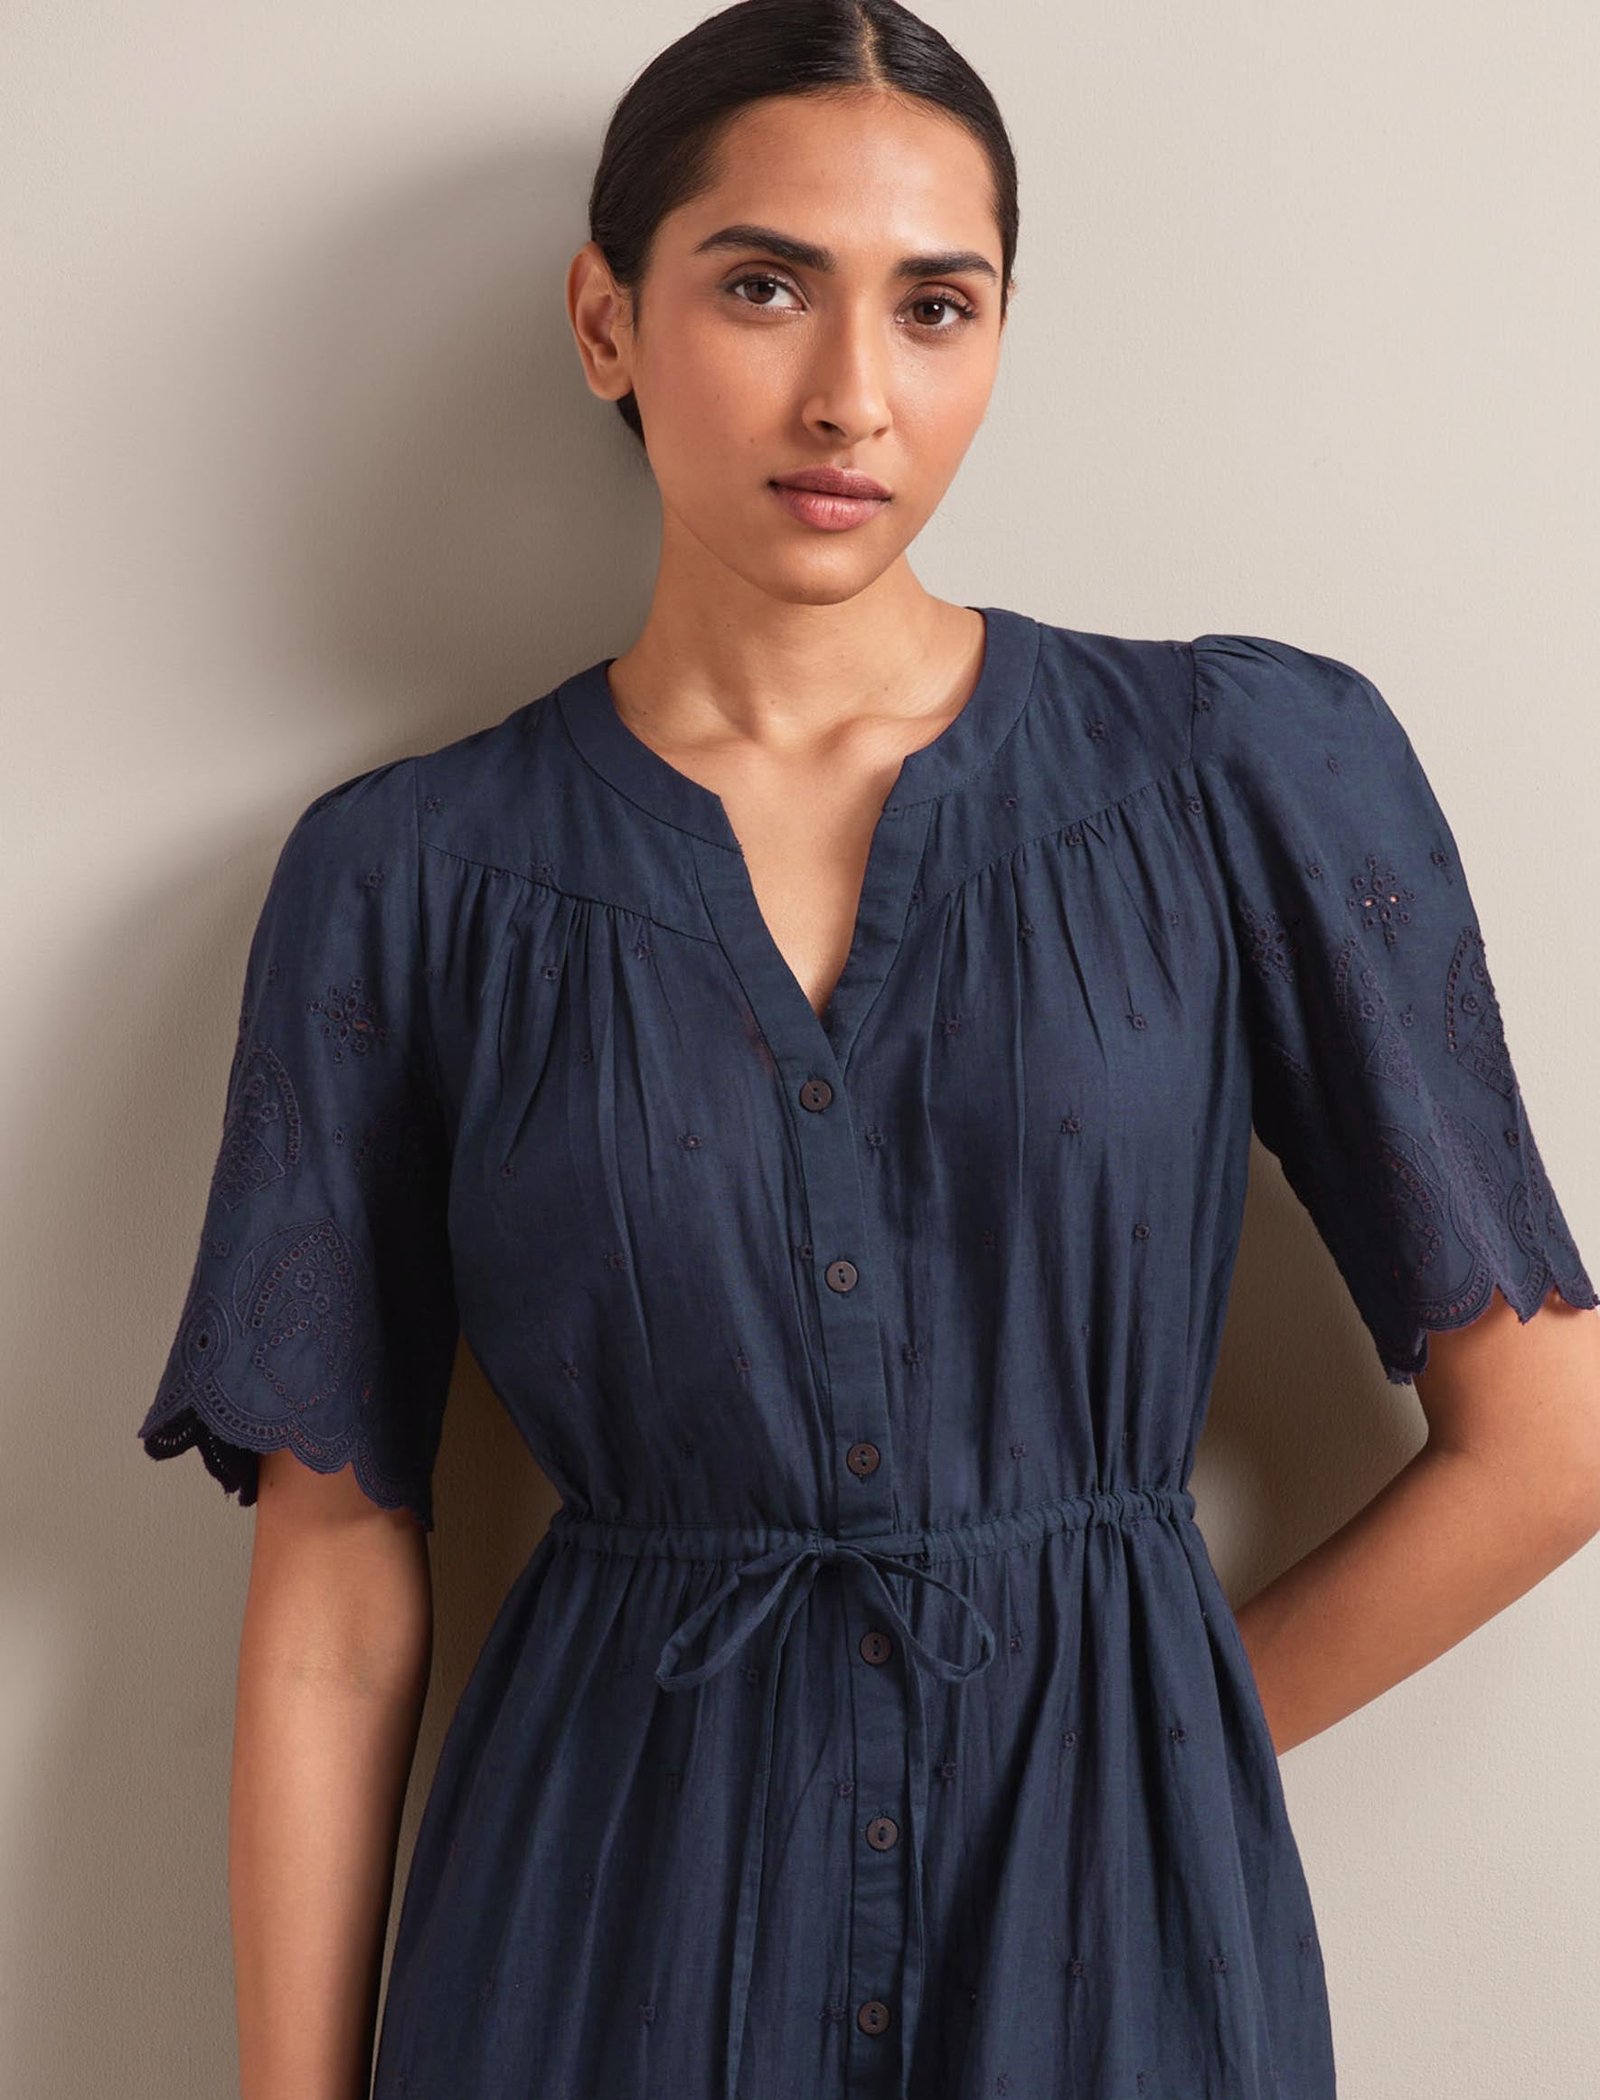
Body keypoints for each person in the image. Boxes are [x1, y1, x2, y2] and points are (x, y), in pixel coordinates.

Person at [136, 3, 1600, 2096]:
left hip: (1106, 1971)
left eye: (934, 306)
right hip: (597, 1945)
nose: (851, 395)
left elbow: (1546, 1444)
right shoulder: (410, 881)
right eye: (762, 287)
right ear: (605, 320)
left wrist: (1144, 1761)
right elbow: (336, 1595)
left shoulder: (1240, 777)